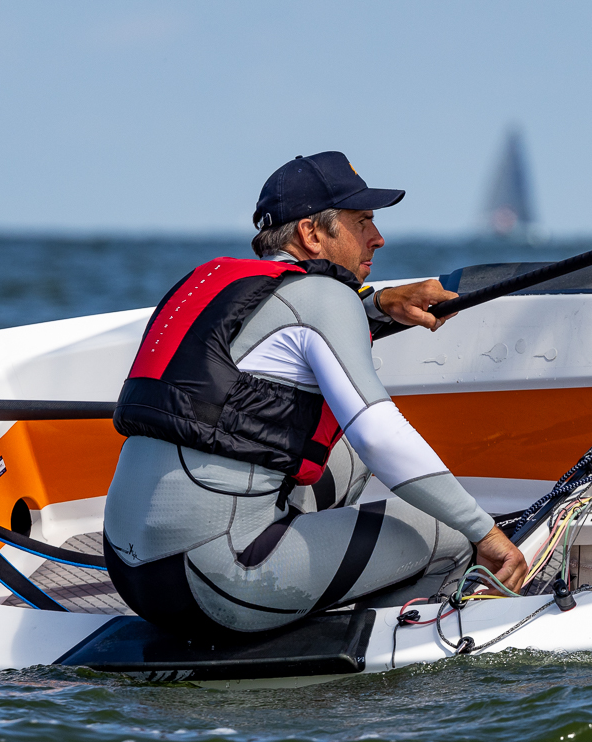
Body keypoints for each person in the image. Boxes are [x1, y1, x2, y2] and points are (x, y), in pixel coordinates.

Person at [102, 151, 526, 636]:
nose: (378, 237)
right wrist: (485, 531)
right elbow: (380, 436)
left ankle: (309, 584)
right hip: (219, 583)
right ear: (311, 234)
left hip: (131, 573)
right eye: (362, 221)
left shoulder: (207, 283)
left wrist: (380, 304)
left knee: (343, 455)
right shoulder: (326, 298)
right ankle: (399, 637)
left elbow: (280, 331)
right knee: (449, 535)